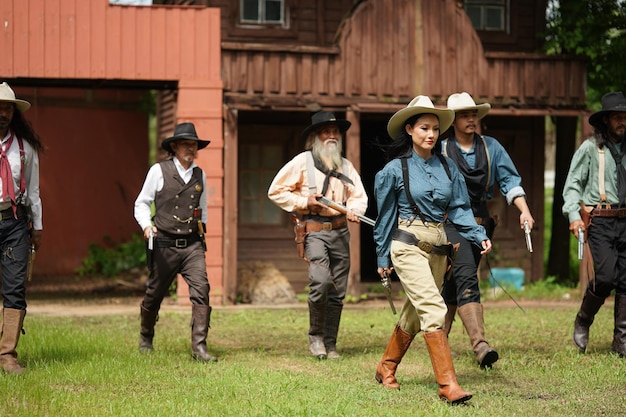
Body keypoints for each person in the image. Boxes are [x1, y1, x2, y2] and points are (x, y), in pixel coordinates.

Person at [373, 95, 491, 404]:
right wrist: (382, 256)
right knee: (435, 309)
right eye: (424, 128)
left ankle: (385, 368)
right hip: (407, 244)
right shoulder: (395, 171)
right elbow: (384, 218)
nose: (431, 135)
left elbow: (461, 208)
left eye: (435, 129)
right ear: (410, 129)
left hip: (440, 247)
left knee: (415, 315)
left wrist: (478, 235)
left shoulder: (449, 167)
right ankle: (448, 386)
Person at [438, 92, 535, 368]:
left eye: (474, 114)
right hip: (451, 225)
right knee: (467, 274)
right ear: (453, 120)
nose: (471, 119)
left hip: (480, 225)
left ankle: (439, 339)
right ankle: (480, 345)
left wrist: (524, 210)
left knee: (454, 282)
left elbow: (509, 181)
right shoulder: (442, 150)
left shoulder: (491, 147)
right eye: (464, 115)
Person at [268, 111, 368, 360]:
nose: (331, 136)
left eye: (335, 132)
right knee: (321, 281)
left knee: (338, 291)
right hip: (314, 232)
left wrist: (355, 211)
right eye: (326, 131)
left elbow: (358, 197)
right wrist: (303, 202)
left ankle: (330, 343)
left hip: (340, 231)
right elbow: (276, 191)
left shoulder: (346, 166)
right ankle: (315, 337)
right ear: (315, 136)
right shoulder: (302, 162)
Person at [134, 122, 217, 362]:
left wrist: (202, 234)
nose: (191, 149)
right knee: (155, 293)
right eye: (186, 144)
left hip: (192, 244)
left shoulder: (200, 174)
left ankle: (199, 347)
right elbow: (141, 203)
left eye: (194, 145)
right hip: (164, 243)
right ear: (174, 147)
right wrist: (147, 226)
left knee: (202, 290)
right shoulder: (158, 171)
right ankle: (146, 336)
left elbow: (203, 208)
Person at [562, 91, 626, 357]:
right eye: (617, 118)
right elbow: (573, 185)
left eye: (625, 118)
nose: (622, 122)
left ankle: (621, 340)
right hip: (600, 221)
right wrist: (574, 216)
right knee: (606, 277)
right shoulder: (591, 148)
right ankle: (584, 319)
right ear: (606, 121)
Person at [0, 82, 44, 375]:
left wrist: (37, 228)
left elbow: (35, 191)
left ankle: (6, 355)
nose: (2, 112)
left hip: (14, 223)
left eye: (7, 108)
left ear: (14, 113)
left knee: (15, 289)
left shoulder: (25, 149)